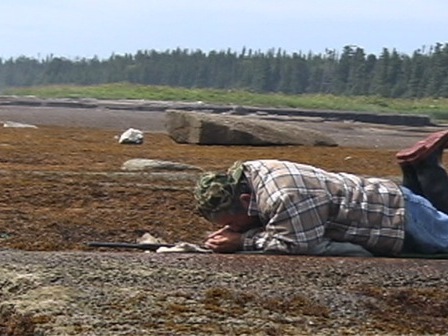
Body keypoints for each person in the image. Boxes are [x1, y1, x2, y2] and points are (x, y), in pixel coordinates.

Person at [194, 130, 448, 257]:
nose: (231, 230)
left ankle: (423, 168)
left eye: (231, 224)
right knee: (435, 212)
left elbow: (297, 245)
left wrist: (242, 242)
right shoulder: (251, 171)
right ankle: (418, 169)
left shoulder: (284, 197)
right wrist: (240, 231)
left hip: (397, 221)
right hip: (390, 200)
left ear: (245, 200)